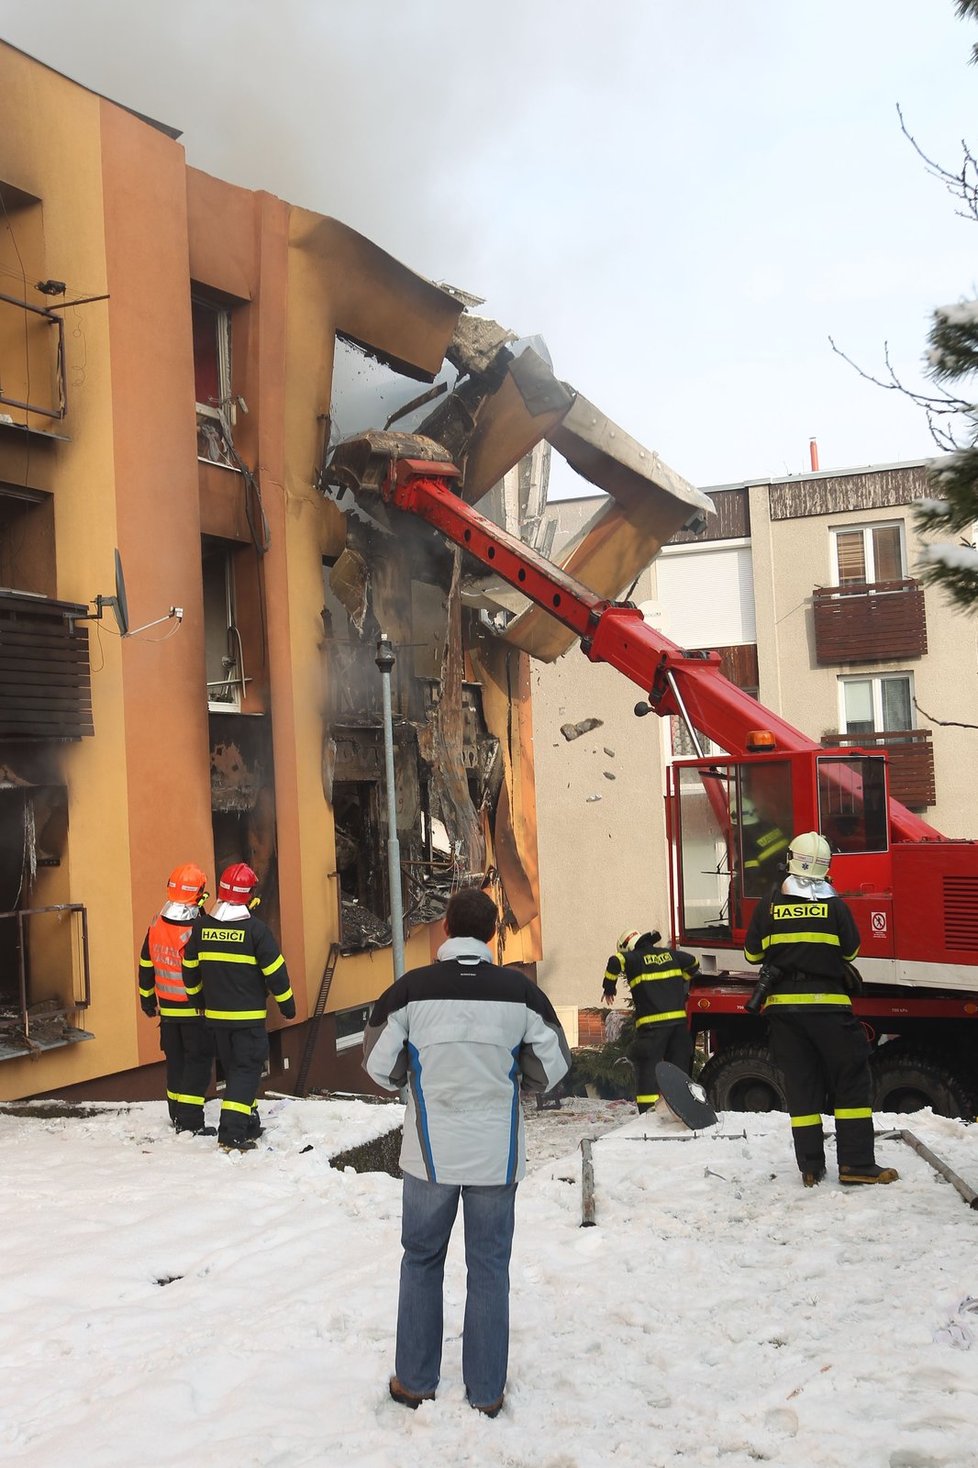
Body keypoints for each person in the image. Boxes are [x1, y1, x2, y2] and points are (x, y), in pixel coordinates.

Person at [363, 888, 571, 1419]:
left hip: (429, 1157)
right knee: (489, 1267)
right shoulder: (520, 993)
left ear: (447, 927)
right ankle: (486, 1391)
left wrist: (413, 1081)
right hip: (496, 1156)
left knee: (422, 1261)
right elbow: (553, 1066)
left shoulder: (411, 990)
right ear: (492, 932)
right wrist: (516, 1080)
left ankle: (413, 1382)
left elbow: (379, 1066)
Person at [743, 830, 899, 1189]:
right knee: (851, 1082)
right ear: (827, 867)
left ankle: (811, 1168)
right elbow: (851, 953)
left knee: (801, 1088)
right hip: (830, 1011)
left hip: (783, 1013)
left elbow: (752, 955)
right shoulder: (835, 905)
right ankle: (857, 1164)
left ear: (790, 860)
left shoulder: (768, 905)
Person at [181, 862, 296, 1152]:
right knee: (246, 1071)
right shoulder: (256, 931)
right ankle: (231, 1134)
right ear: (249, 895)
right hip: (248, 1021)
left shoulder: (201, 927)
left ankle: (249, 1121)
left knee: (235, 1071)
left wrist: (198, 1001)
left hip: (217, 1020)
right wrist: (288, 1006)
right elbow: (276, 973)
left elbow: (190, 970)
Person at [137, 862, 216, 1135]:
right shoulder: (197, 928)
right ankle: (191, 1122)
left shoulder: (156, 924)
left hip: (168, 1013)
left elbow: (146, 964)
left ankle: (176, 1114)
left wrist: (147, 1001)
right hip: (195, 1012)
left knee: (176, 1063)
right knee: (198, 1064)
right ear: (199, 893)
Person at [601, 927, 698, 1112]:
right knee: (678, 1071)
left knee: (648, 1068)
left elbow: (615, 961)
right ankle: (683, 1111)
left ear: (626, 947)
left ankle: (647, 1115)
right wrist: (680, 983)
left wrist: (609, 987)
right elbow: (694, 962)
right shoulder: (669, 954)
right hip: (678, 1026)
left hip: (653, 1028)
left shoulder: (634, 958)